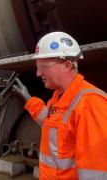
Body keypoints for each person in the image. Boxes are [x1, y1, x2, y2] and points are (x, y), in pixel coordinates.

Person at [13, 32, 107, 179]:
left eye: (43, 67)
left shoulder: (90, 104)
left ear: (67, 66)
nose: (38, 73)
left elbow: (96, 173)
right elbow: (50, 123)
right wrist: (29, 100)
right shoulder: (58, 97)